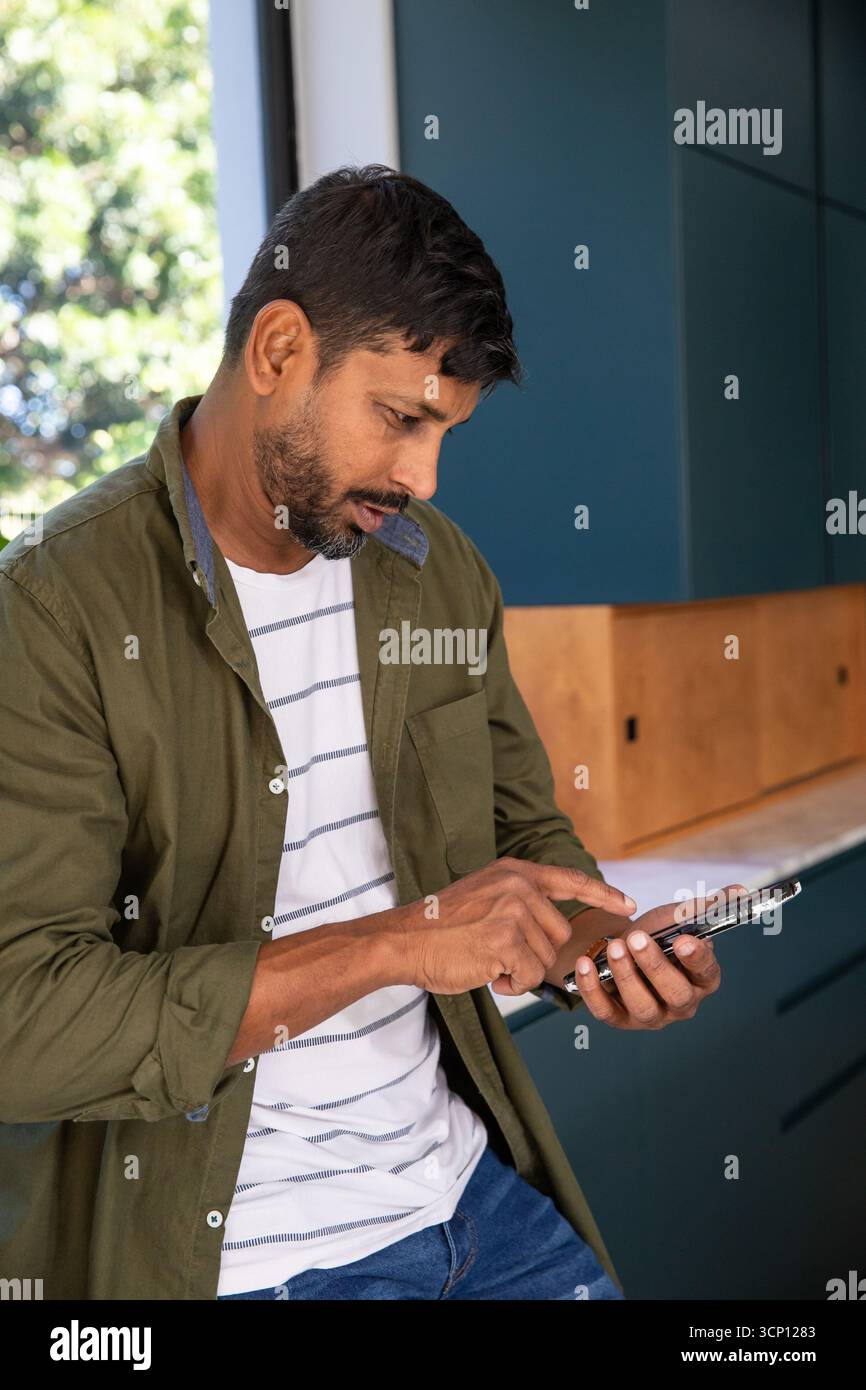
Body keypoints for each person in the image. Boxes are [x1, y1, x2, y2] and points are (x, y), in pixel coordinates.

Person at [0, 165, 732, 1301]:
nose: (422, 476)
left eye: (445, 432)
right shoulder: (54, 611)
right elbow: (24, 1021)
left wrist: (602, 951)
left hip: (467, 1199)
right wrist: (398, 941)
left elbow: (522, 835)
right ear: (279, 349)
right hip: (241, 1258)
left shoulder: (433, 577)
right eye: (399, 420)